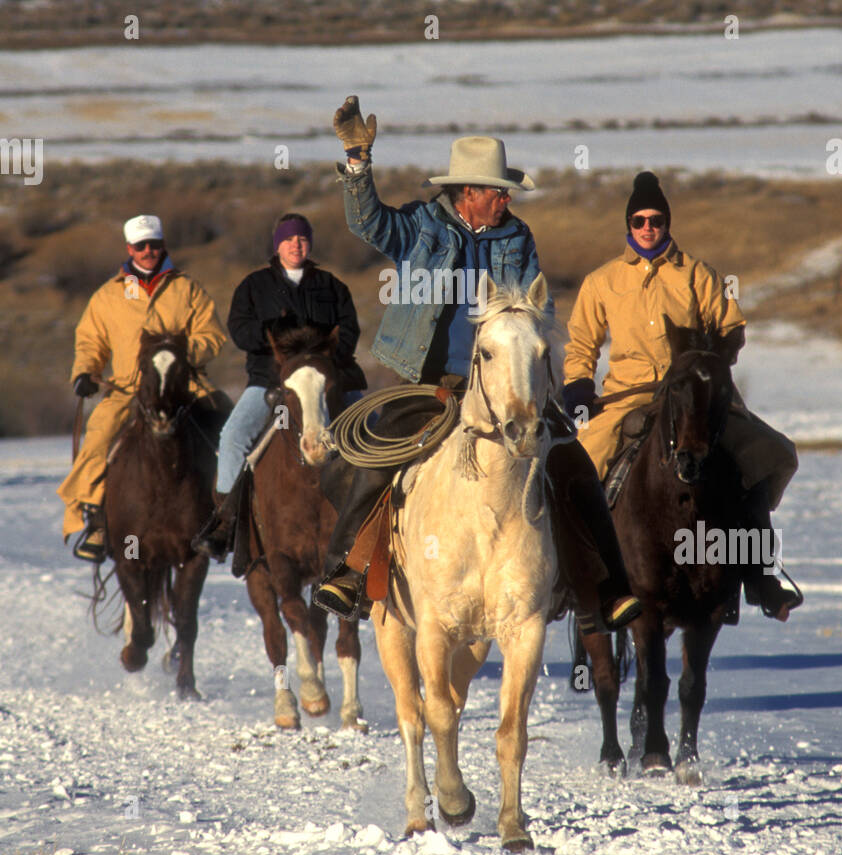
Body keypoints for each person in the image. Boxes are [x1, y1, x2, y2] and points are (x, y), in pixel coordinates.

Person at [313, 95, 641, 631]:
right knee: (374, 463)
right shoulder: (420, 225)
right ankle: (344, 574)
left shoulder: (518, 237)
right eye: (497, 192)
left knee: (573, 464)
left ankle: (607, 589)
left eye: (506, 194)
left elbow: (540, 306)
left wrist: (527, 335)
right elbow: (368, 222)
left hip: (507, 386)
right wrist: (356, 161)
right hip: (430, 379)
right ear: (469, 193)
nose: (505, 201)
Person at [562, 170, 802, 620]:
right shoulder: (603, 281)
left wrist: (715, 355)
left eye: (655, 219)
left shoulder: (698, 274)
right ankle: (589, 584)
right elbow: (580, 345)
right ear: (628, 225)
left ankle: (760, 575)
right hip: (628, 398)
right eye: (639, 220)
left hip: (696, 397)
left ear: (667, 222)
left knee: (768, 456)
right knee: (576, 471)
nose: (648, 227)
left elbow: (731, 326)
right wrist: (578, 387)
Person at [194, 212, 366, 560]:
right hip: (271, 381)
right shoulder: (253, 287)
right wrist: (276, 337)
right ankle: (226, 522)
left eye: (302, 239)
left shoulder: (332, 285)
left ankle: (385, 516)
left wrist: (325, 351)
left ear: (310, 244)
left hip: (330, 379)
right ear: (278, 245)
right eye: (289, 239)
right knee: (233, 437)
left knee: (374, 430)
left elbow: (349, 329)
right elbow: (240, 329)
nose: (296, 245)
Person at [58, 214, 227, 563]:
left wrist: (182, 357)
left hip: (185, 384)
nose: (148, 251)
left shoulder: (187, 288)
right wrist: (85, 372)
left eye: (154, 244)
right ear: (129, 249)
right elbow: (90, 341)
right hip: (127, 389)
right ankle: (97, 519)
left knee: (228, 427)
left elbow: (211, 335)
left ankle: (228, 515)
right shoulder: (108, 296)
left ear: (163, 244)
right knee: (100, 434)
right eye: (141, 246)